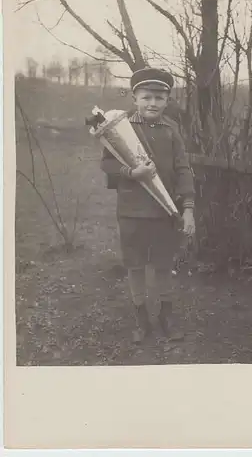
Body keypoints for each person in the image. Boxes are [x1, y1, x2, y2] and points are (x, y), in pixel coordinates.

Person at [100, 67, 195, 343]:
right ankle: (141, 319)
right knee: (136, 266)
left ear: (167, 100)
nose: (152, 103)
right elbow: (106, 163)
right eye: (146, 97)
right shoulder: (120, 129)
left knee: (164, 265)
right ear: (134, 98)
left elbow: (183, 169)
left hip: (165, 213)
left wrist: (187, 208)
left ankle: (166, 317)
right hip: (132, 213)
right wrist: (131, 173)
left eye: (159, 97)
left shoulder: (171, 130)